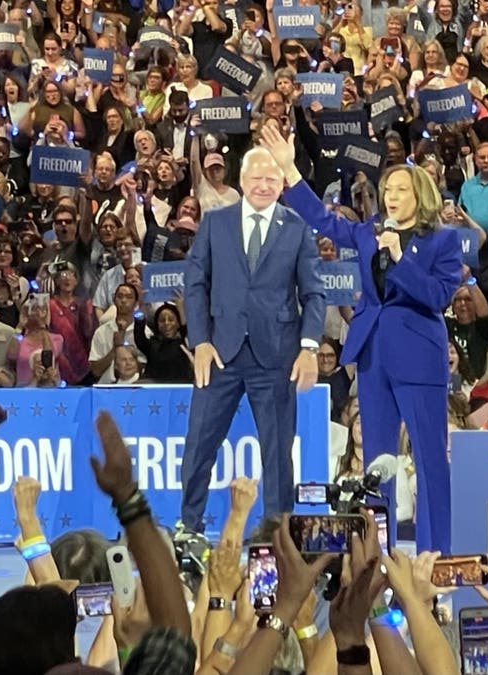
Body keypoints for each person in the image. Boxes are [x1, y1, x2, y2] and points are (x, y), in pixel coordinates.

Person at [263, 123, 461, 552]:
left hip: (420, 356)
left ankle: (437, 553)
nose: (391, 196)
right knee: (377, 464)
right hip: (373, 357)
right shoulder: (369, 230)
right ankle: (377, 553)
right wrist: (290, 171)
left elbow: (438, 296)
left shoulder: (443, 241)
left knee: (429, 461)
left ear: (421, 195)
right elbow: (322, 220)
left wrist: (397, 257)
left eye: (401, 190)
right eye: (388, 188)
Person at [178, 143, 326, 534]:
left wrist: (309, 346)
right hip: (219, 354)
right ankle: (188, 531)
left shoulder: (296, 228)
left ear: (282, 183)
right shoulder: (215, 222)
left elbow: (313, 293)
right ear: (241, 181)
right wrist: (201, 342)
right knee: (197, 448)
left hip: (276, 357)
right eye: (256, 178)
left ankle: (277, 536)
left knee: (278, 456)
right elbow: (195, 283)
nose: (263, 185)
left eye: (271, 179)